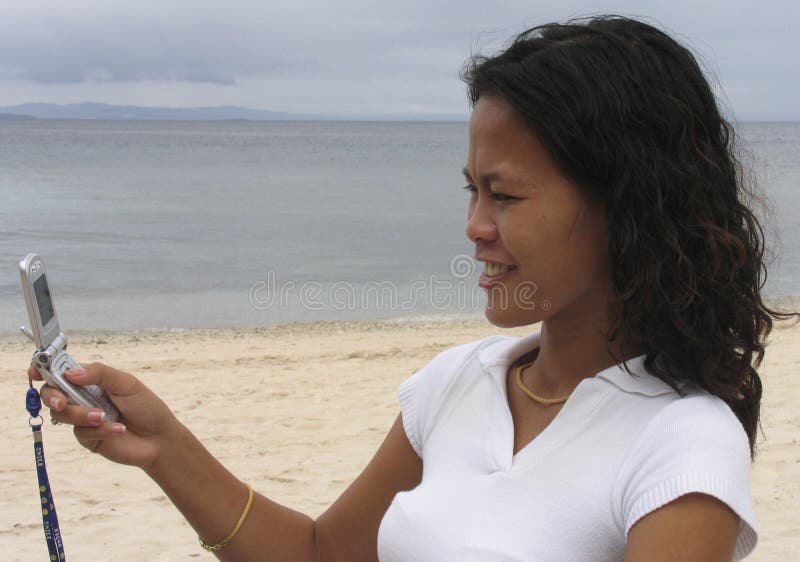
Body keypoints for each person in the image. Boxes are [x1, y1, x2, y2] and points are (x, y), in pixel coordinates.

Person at [30, 15, 795, 561]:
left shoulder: (683, 445)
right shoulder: (458, 384)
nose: (474, 226)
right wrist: (164, 446)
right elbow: (324, 553)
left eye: (506, 196)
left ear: (625, 209)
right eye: (471, 191)